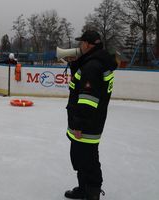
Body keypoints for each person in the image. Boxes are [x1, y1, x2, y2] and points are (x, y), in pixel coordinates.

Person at [64, 30, 117, 200]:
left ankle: (92, 193)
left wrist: (78, 124)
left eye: (81, 43)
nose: (79, 46)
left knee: (88, 159)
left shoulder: (92, 66)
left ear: (88, 44)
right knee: (80, 157)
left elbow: (88, 100)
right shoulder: (94, 62)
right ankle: (83, 188)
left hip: (86, 124)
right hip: (90, 122)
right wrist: (75, 65)